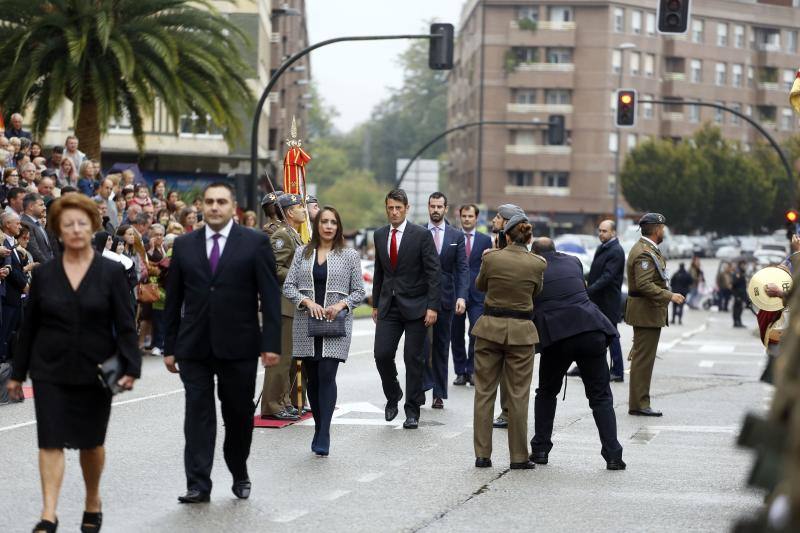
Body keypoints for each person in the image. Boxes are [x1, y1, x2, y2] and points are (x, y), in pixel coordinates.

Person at [6, 193, 140, 533]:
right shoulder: (47, 274)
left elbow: (126, 324)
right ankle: (48, 514)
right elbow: (31, 324)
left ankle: (92, 500)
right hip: (50, 369)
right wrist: (17, 374)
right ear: (59, 231)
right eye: (68, 225)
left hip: (97, 371)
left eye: (82, 223)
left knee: (91, 443)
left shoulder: (111, 272)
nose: (76, 229)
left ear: (92, 227)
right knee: (49, 440)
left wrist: (131, 367)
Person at [164, 182, 281, 504]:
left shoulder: (255, 243)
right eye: (210, 202)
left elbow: (270, 297)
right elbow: (173, 299)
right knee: (198, 417)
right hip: (194, 347)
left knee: (238, 416)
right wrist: (170, 346)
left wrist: (271, 343)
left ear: (233, 208)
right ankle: (198, 484)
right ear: (202, 206)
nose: (215, 207)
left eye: (221, 202)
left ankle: (239, 470)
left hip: (240, 345)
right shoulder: (185, 245)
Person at [529, 238, 625, 470]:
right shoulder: (573, 261)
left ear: (536, 254)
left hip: (557, 335)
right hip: (590, 330)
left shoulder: (534, 267)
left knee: (546, 393)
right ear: (555, 250)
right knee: (601, 396)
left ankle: (541, 449)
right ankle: (613, 455)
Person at [283, 206, 365, 455]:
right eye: (324, 222)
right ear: (317, 225)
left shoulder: (349, 255)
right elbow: (288, 286)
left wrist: (341, 304)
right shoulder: (302, 253)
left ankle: (324, 433)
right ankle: (319, 426)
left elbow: (359, 292)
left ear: (338, 227)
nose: (329, 226)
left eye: (333, 222)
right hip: (306, 324)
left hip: (335, 323)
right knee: (314, 378)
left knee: (328, 375)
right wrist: (307, 302)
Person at [471, 207, 544, 469]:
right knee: (518, 395)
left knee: (484, 393)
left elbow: (480, 285)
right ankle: (518, 457)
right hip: (521, 333)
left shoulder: (491, 258)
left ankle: (482, 455)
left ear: (507, 236)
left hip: (490, 328)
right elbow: (537, 292)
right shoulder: (538, 263)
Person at [372, 188, 440, 429]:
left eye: (398, 208)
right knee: (381, 354)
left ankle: (412, 410)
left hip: (417, 306)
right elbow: (380, 272)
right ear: (386, 208)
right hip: (388, 306)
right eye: (390, 208)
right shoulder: (379, 235)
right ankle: (393, 395)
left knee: (413, 359)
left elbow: (434, 272)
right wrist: (375, 304)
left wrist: (433, 306)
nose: (394, 212)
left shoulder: (421, 235)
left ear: (407, 208)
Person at [625, 213, 684, 417]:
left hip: (647, 312)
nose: (664, 230)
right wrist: (670, 296)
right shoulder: (644, 252)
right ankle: (640, 404)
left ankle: (640, 402)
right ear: (657, 229)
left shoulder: (649, 249)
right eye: (663, 227)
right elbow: (644, 284)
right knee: (643, 360)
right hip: (645, 312)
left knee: (643, 359)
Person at [260, 193, 307, 421]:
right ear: (289, 211)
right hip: (282, 304)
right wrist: (301, 277)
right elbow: (275, 268)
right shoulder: (281, 235)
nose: (304, 210)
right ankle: (271, 404)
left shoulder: (293, 234)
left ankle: (284, 400)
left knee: (288, 359)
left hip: (292, 304)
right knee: (279, 357)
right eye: (299, 206)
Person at [422, 192, 467, 409]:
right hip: (420, 298)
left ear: (446, 208)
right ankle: (421, 387)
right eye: (433, 206)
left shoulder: (456, 236)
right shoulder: (418, 232)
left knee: (441, 346)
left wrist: (461, 296)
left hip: (447, 299)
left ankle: (439, 393)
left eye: (440, 206)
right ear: (428, 207)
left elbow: (462, 269)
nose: (436, 210)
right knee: (421, 346)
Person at [451, 204, 492, 387]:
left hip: (478, 293)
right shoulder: (453, 236)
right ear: (460, 217)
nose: (467, 219)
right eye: (464, 216)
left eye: (470, 216)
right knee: (456, 334)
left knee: (476, 331)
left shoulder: (485, 240)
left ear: (476, 218)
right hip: (456, 292)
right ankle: (460, 372)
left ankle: (472, 369)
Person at [585, 219, 626, 382]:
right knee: (592, 333)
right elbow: (595, 271)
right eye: (600, 230)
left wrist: (590, 290)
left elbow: (607, 277)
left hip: (608, 301)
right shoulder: (603, 248)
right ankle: (586, 366)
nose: (601, 233)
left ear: (613, 233)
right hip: (597, 300)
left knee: (612, 335)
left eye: (604, 231)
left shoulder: (615, 250)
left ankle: (617, 370)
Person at [0, 212, 29, 362]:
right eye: (16, 223)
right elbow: (11, 271)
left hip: (15, 295)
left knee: (10, 333)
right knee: (4, 333)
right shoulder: (3, 242)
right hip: (8, 295)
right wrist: (24, 284)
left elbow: (16, 267)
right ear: (7, 225)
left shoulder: (12, 242)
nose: (19, 226)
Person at [20, 193, 53, 264]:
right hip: (41, 269)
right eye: (41, 205)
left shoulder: (37, 222)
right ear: (31, 206)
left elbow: (47, 249)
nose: (45, 207)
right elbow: (34, 251)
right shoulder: (25, 224)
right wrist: (49, 266)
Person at [732, 260, 748, 328]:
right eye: (744, 265)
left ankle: (738, 321)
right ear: (741, 265)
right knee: (737, 308)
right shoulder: (738, 272)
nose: (745, 266)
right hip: (738, 293)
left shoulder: (741, 272)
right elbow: (735, 283)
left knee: (739, 308)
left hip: (741, 293)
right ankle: (737, 322)